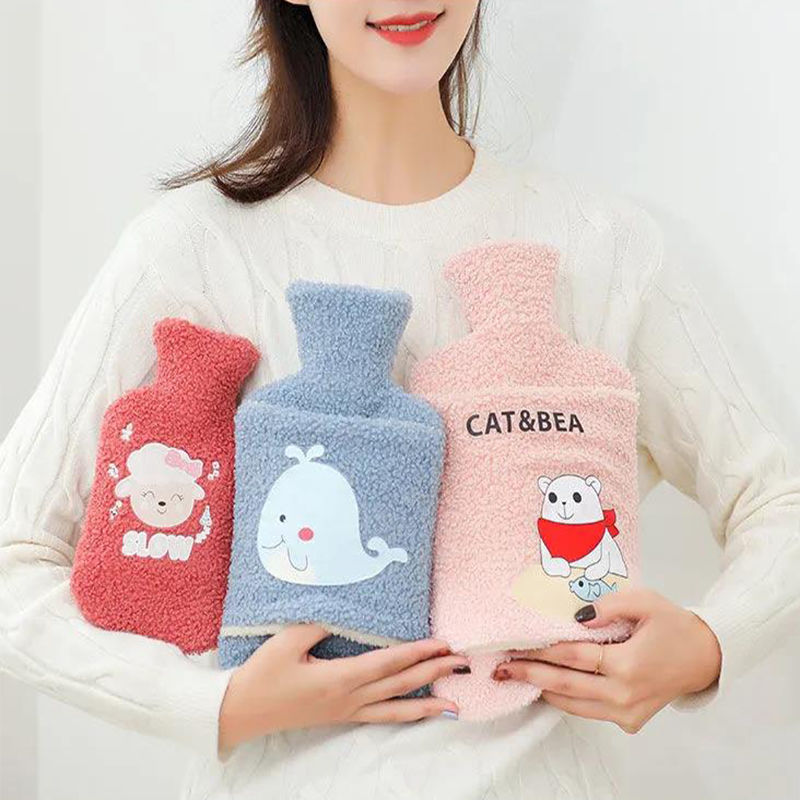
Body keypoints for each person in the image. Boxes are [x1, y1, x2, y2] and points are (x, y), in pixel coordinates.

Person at [0, 2, 797, 798]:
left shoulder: (602, 246)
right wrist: (214, 706)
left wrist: (709, 645)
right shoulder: (195, 250)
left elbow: (778, 501)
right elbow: (13, 558)